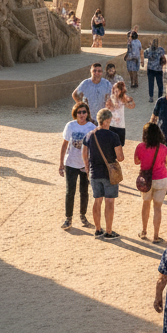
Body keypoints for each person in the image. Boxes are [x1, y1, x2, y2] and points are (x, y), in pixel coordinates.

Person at [85, 110, 123, 239]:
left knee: (97, 201)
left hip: (94, 173)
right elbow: (120, 157)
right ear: (107, 121)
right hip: (109, 174)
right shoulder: (113, 136)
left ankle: (97, 229)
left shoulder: (90, 135)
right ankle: (109, 231)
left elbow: (84, 154)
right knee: (109, 202)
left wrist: (87, 169)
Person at [134, 121, 167, 242]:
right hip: (160, 179)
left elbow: (136, 161)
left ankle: (144, 231)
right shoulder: (163, 148)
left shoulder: (140, 147)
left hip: (146, 180)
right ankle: (155, 235)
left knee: (146, 205)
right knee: (157, 208)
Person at [58, 102, 93, 230]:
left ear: (87, 113)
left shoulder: (91, 127)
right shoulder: (70, 126)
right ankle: (68, 218)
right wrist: (61, 164)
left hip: (85, 165)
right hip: (71, 163)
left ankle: (83, 216)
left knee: (84, 192)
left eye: (84, 112)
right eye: (79, 112)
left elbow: (94, 148)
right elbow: (64, 145)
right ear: (75, 114)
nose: (82, 114)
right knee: (70, 192)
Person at [107, 79, 135, 146]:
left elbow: (132, 106)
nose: (116, 93)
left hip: (121, 126)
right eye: (115, 91)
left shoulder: (123, 98)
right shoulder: (111, 98)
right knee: (111, 146)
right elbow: (107, 108)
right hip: (111, 125)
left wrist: (129, 100)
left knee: (120, 145)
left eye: (118, 91)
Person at [142, 37, 167, 101]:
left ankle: (151, 97)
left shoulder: (148, 50)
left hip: (150, 69)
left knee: (151, 83)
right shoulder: (161, 49)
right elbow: (163, 57)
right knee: (160, 84)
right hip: (158, 69)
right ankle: (160, 97)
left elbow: (143, 55)